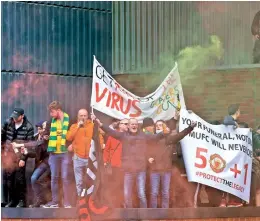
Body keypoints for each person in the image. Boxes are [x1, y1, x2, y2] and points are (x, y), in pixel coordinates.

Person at [92, 114, 196, 209]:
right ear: (128, 126)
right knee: (128, 194)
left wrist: (166, 132)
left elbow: (158, 137)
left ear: (137, 126)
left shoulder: (145, 136)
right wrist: (99, 123)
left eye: (135, 124)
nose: (134, 126)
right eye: (132, 124)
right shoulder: (123, 136)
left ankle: (147, 214)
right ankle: (130, 213)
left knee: (143, 193)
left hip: (145, 170)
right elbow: (111, 132)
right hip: (130, 170)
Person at [66, 109, 104, 203]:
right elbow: (69, 137)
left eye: (85, 115)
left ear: (87, 116)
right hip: (78, 157)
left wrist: (102, 144)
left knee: (90, 181)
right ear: (78, 116)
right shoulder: (74, 126)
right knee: (79, 182)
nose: (83, 117)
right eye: (81, 115)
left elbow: (99, 136)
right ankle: (81, 201)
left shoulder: (92, 125)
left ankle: (90, 201)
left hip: (90, 158)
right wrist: (78, 127)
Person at [11, 121, 50, 207]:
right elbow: (34, 151)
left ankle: (48, 199)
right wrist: (25, 154)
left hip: (49, 162)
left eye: (42, 128)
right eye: (39, 129)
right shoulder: (36, 137)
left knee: (43, 180)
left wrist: (19, 145)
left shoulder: (47, 136)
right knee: (33, 178)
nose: (40, 131)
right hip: (40, 163)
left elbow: (37, 145)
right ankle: (40, 199)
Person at [2, 108, 34, 207]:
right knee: (9, 180)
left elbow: (30, 145)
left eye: (17, 117)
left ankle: (22, 201)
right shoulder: (8, 123)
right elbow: (2, 137)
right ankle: (12, 200)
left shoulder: (29, 127)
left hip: (20, 156)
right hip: (8, 156)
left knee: (19, 180)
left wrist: (23, 159)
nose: (14, 119)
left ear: (22, 116)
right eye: (13, 117)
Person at [42, 101, 72, 208]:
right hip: (54, 153)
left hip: (65, 153)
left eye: (52, 112)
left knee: (65, 178)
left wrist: (72, 144)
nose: (50, 114)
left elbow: (73, 134)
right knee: (54, 178)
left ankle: (67, 202)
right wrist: (45, 136)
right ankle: (55, 202)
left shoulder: (69, 119)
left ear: (58, 110)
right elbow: (46, 132)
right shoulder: (51, 121)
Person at [220, 104, 243, 207]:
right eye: (239, 111)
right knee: (227, 178)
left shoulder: (234, 123)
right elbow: (226, 121)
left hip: (233, 156)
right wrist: (235, 124)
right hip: (228, 155)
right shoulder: (229, 120)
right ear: (237, 112)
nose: (240, 113)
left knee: (232, 179)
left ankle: (231, 201)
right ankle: (223, 201)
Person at [103, 118, 129, 207]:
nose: (127, 125)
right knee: (116, 185)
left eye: (127, 124)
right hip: (116, 165)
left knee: (126, 186)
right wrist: (105, 161)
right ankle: (116, 203)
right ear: (120, 125)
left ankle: (125, 203)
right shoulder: (112, 136)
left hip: (128, 165)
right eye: (125, 124)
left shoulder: (131, 136)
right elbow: (107, 149)